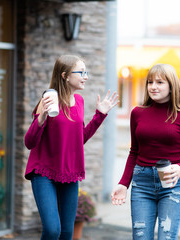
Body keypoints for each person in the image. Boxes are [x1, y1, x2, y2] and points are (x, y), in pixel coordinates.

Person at [24, 55, 118, 240]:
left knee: (67, 233)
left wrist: (100, 115)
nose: (86, 76)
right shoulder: (48, 101)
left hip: (69, 173)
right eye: (81, 72)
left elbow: (79, 138)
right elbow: (29, 142)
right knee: (52, 230)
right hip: (43, 172)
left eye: (86, 72)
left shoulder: (80, 101)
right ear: (65, 75)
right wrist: (41, 118)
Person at [111, 63, 180, 240]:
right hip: (141, 184)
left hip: (172, 184)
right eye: (150, 82)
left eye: (160, 82)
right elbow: (134, 152)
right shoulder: (137, 113)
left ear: (171, 86)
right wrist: (123, 184)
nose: (153, 86)